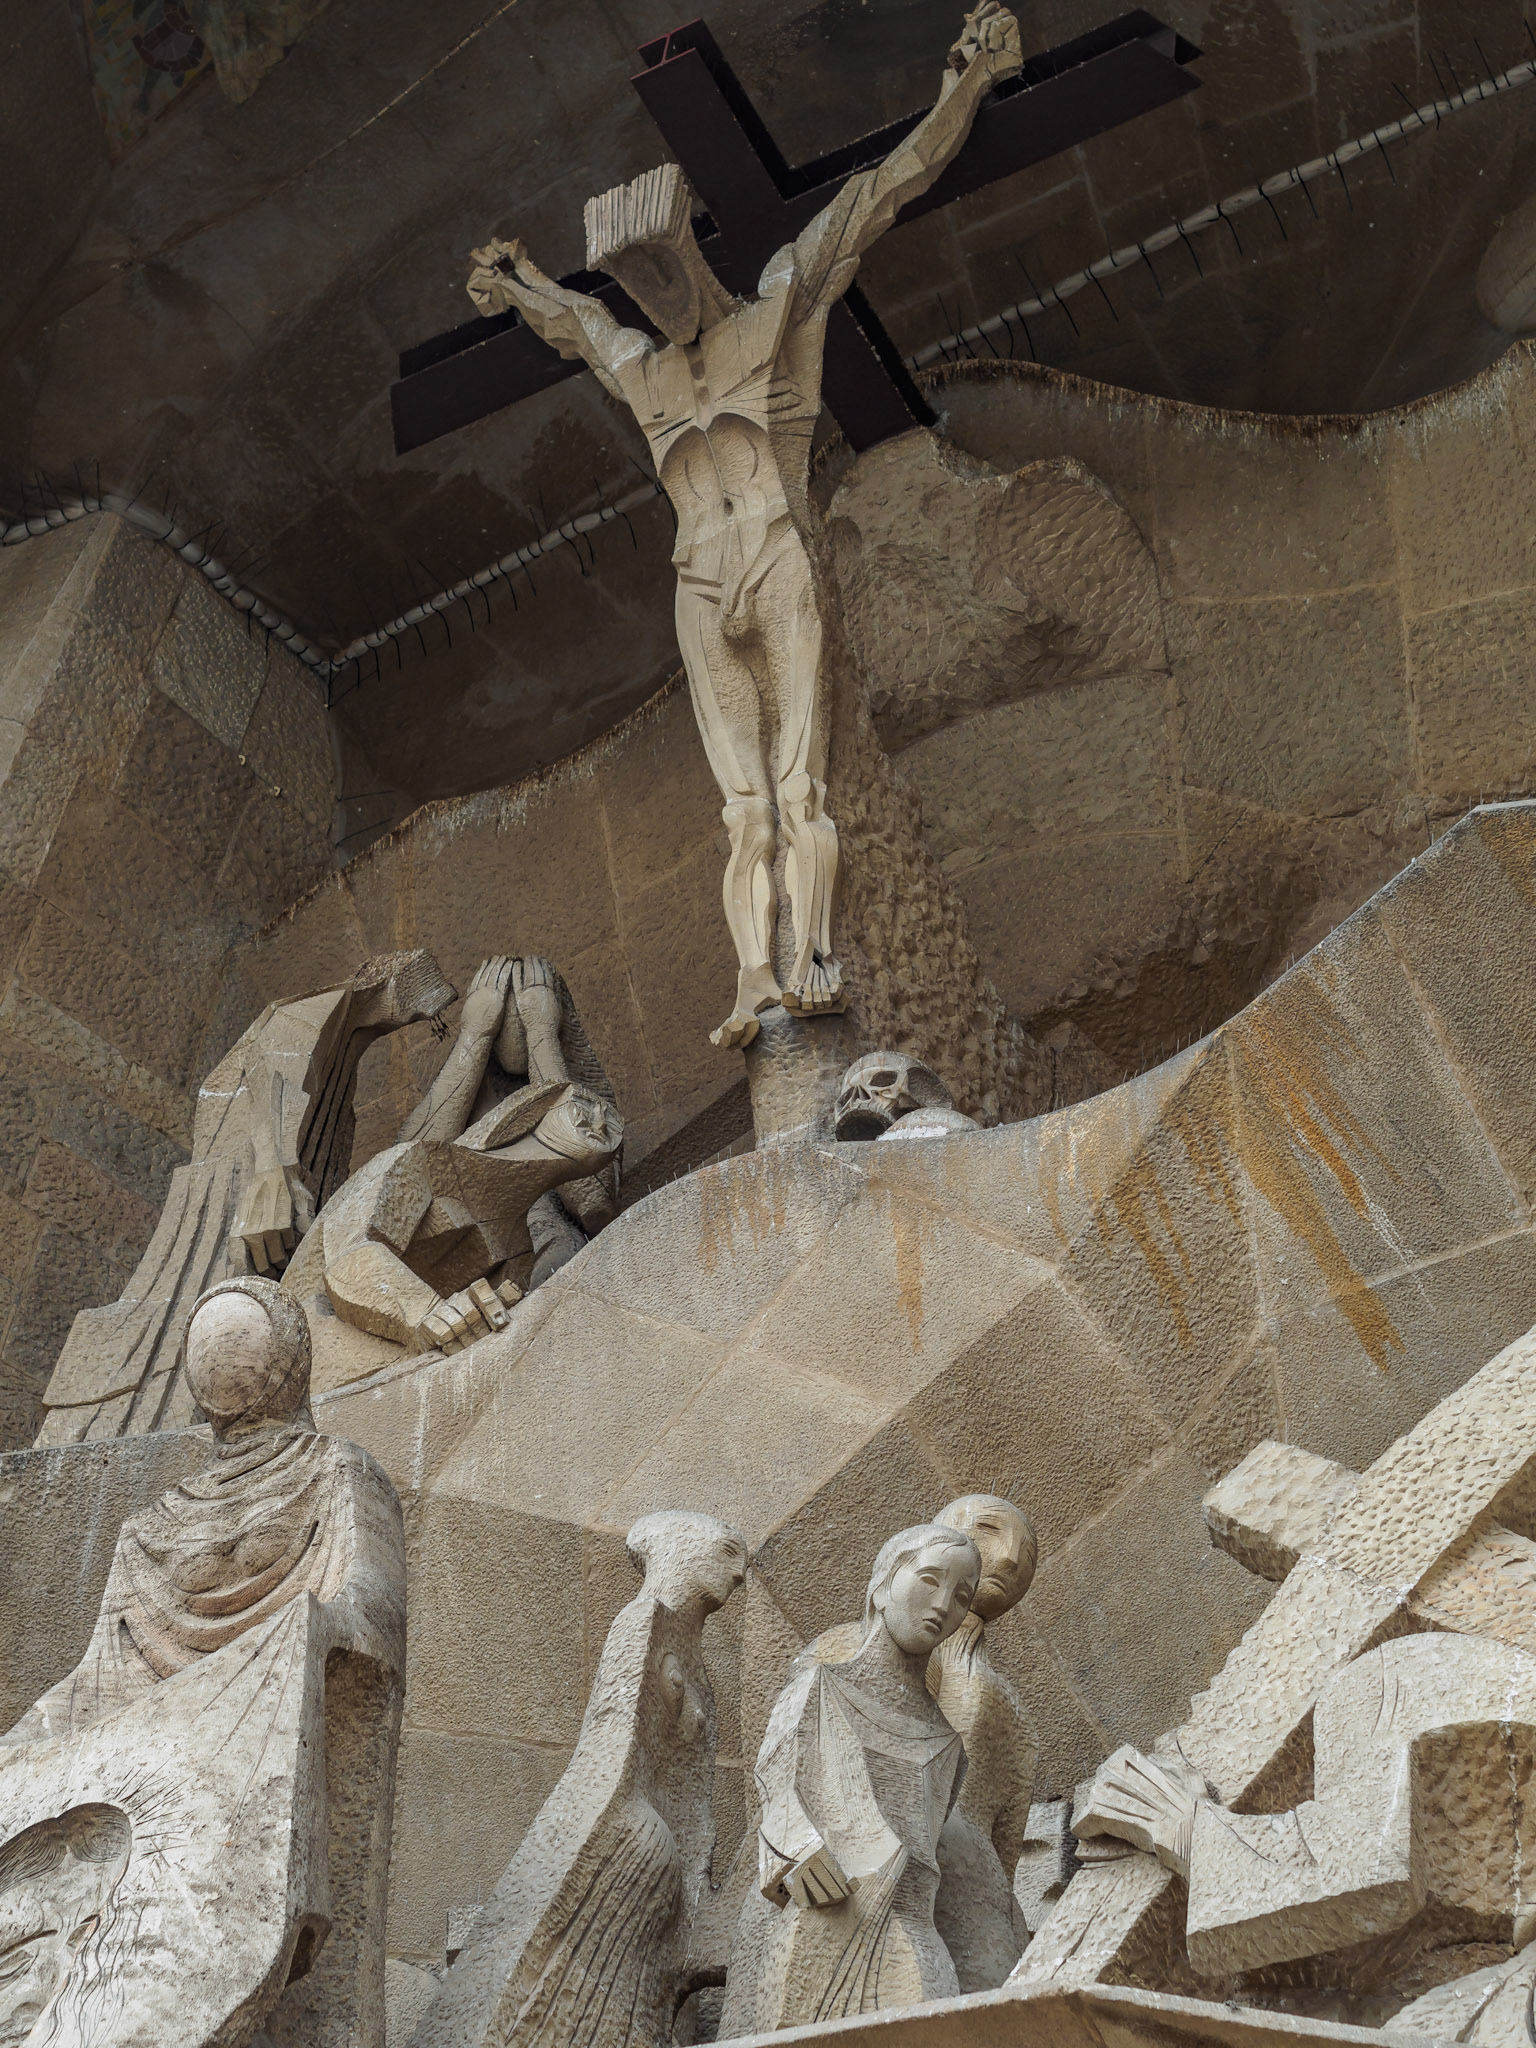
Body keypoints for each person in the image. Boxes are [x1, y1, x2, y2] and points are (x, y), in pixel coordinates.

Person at [466, 4, 1022, 1048]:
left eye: (661, 276)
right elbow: (577, 326)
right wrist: (519, 282)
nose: (652, 299)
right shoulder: (646, 368)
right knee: (742, 811)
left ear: (690, 258)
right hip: (700, 580)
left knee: (800, 787)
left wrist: (966, 89)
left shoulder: (777, 310)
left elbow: (874, 199)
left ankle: (814, 956)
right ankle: (753, 977)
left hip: (775, 556)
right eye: (637, 287)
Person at [2, 1279, 406, 2048]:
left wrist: (313, 1626)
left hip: (250, 1751)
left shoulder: (337, 1472)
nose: (226, 1364)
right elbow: (101, 1675)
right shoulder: (151, 1523)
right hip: (147, 1770)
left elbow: (372, 1602)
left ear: (287, 1358)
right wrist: (28, 1737)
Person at [719, 1523, 981, 2033]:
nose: (942, 1605)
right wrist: (798, 1845)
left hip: (916, 1941)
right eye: (929, 1579)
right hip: (825, 1918)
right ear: (883, 1585)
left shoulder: (950, 1746)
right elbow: (777, 1787)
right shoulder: (819, 1689)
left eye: (961, 1597)